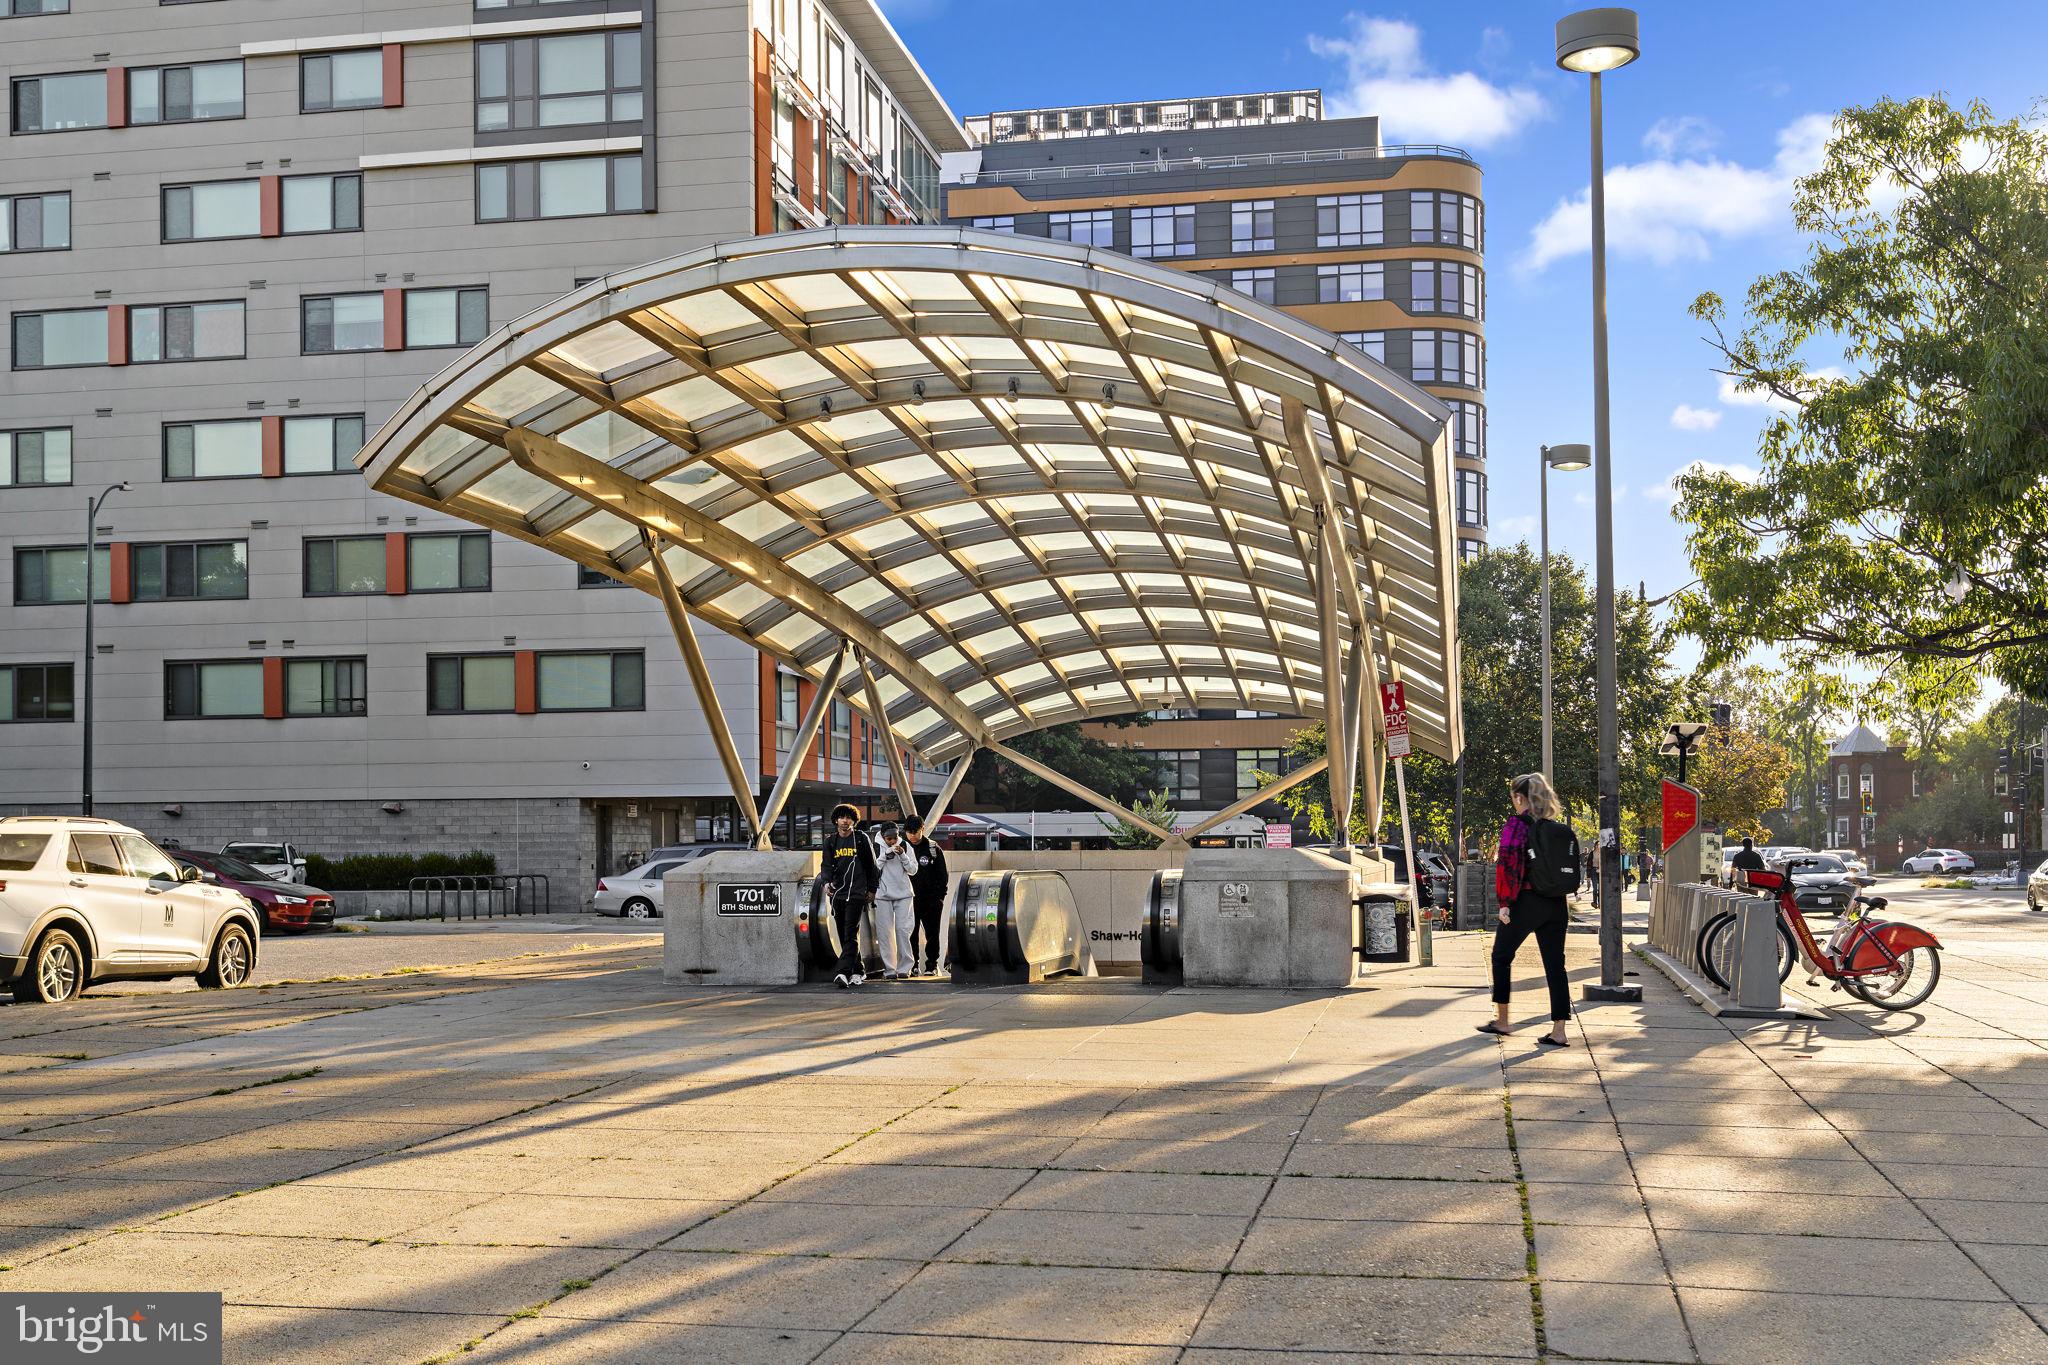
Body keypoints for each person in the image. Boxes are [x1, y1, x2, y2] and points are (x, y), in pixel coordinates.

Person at [1478, 773, 1577, 1047]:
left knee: (1501, 956)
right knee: (1556, 966)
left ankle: (1503, 1020)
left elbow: (1509, 866)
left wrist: (1505, 904)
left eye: (1513, 798)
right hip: (1557, 904)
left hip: (1526, 901)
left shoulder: (1517, 826)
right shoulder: (1553, 827)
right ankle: (1559, 1031)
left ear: (1519, 798)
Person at [822, 803, 878, 989]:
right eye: (842, 817)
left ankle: (842, 972)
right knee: (843, 935)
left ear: (854, 821)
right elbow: (826, 866)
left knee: (850, 933)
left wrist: (872, 889)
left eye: (849, 818)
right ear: (836, 820)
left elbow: (872, 866)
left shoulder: (860, 839)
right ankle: (857, 971)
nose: (845, 821)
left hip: (856, 894)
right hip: (838, 894)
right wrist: (827, 883)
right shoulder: (831, 841)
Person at [871, 822, 921, 979]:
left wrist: (902, 855)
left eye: (895, 838)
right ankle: (890, 969)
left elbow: (913, 870)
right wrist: (884, 856)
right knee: (884, 933)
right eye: (889, 838)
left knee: (903, 930)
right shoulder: (875, 846)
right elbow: (872, 869)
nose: (892, 841)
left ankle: (904, 967)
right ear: (883, 836)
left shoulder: (905, 845)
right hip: (882, 894)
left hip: (904, 893)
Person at [904, 816, 949, 975]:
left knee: (932, 933)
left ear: (922, 829)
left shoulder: (932, 848)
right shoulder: (902, 847)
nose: (912, 836)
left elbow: (942, 875)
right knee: (911, 933)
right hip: (909, 899)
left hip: (931, 900)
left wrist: (940, 896)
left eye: (915, 832)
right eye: (909, 832)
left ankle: (932, 965)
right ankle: (913, 964)